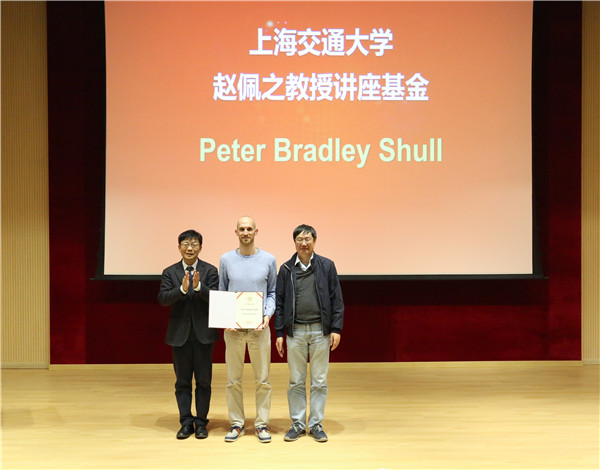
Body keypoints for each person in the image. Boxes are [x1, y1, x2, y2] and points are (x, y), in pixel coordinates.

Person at [275, 224, 344, 443]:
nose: (304, 243)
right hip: (294, 332)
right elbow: (279, 303)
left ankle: (315, 424)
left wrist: (336, 328)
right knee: (296, 380)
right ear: (294, 242)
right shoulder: (286, 269)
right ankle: (297, 423)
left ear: (314, 241)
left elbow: (336, 299)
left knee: (319, 381)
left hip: (320, 331)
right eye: (299, 239)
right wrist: (279, 332)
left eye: (308, 239)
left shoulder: (326, 266)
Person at [219, 216, 277, 443]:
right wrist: (226, 318)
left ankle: (262, 425)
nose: (245, 232)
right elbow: (223, 291)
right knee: (233, 380)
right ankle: (237, 424)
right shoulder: (226, 259)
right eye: (242, 229)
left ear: (256, 231)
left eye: (249, 229)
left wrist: (267, 315)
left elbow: (272, 292)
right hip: (233, 331)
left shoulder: (269, 259)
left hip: (259, 330)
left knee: (263, 380)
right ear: (236, 232)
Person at [158, 229, 219, 440]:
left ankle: (201, 423)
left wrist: (199, 287)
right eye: (185, 244)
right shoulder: (170, 272)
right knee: (182, 382)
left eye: (194, 244)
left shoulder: (210, 270)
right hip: (179, 336)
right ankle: (186, 422)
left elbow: (216, 298)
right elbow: (163, 298)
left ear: (200, 247)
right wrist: (182, 290)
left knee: (204, 382)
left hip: (204, 336)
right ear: (179, 247)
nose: (190, 248)